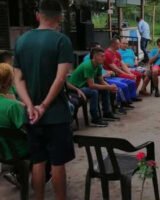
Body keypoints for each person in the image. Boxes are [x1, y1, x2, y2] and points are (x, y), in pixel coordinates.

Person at [13, 1, 75, 199]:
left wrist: (31, 106)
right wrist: (44, 105)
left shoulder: (22, 41)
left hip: (32, 116)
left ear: (38, 15)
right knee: (57, 163)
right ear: (60, 17)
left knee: (38, 162)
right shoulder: (62, 40)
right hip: (55, 114)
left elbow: (18, 79)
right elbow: (60, 78)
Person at [69, 47, 120, 127]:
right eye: (101, 56)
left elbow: (101, 81)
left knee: (105, 89)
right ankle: (95, 118)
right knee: (93, 92)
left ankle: (106, 113)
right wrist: (108, 87)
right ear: (94, 57)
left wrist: (110, 87)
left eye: (104, 56)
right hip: (75, 87)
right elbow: (92, 85)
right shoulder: (88, 66)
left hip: (85, 85)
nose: (104, 58)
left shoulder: (99, 65)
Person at [0, 63, 28, 186]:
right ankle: (43, 176)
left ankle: (18, 174)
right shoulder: (12, 106)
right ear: (8, 83)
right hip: (17, 151)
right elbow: (27, 130)